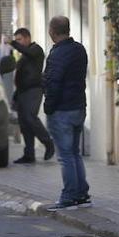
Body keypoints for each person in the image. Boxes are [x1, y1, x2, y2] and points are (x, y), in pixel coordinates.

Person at [41, 16, 90, 209]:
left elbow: (53, 82)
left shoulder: (58, 54)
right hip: (78, 107)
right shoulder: (79, 49)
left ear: (52, 31)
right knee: (74, 153)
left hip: (62, 110)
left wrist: (48, 107)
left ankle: (69, 196)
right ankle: (82, 193)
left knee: (65, 156)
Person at [6, 27, 54, 164]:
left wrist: (12, 43)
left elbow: (28, 52)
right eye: (17, 40)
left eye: (20, 39)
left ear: (27, 38)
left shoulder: (36, 50)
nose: (18, 42)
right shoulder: (24, 55)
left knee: (30, 117)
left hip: (34, 90)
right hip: (22, 92)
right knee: (24, 122)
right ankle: (29, 154)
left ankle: (48, 143)